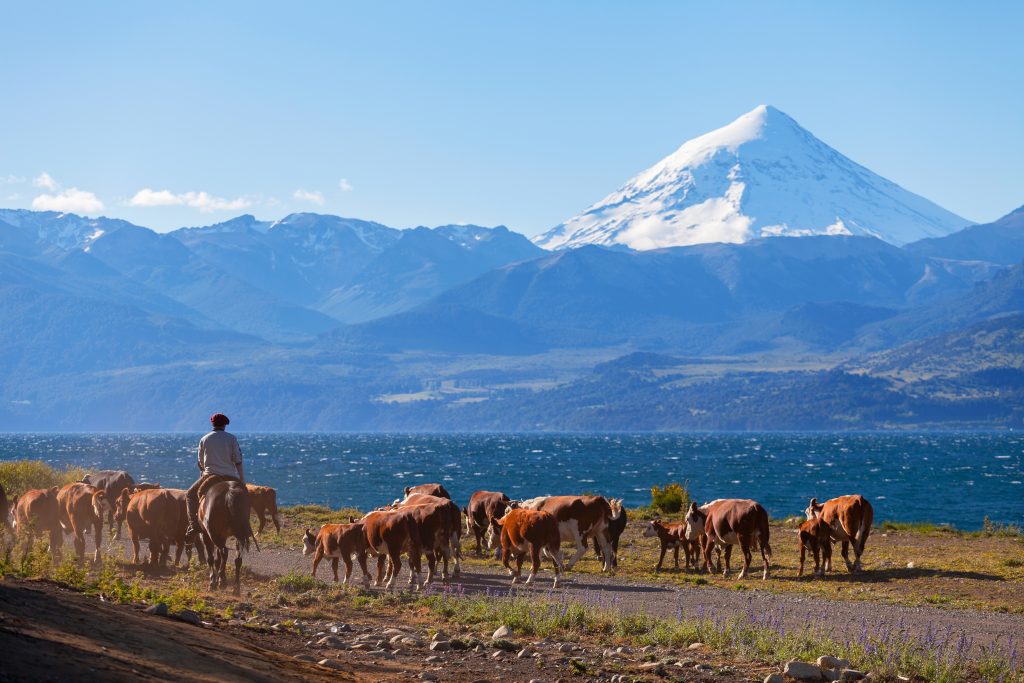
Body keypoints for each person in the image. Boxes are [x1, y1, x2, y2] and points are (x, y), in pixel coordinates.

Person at [185, 413, 245, 540]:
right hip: (230, 476)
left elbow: (200, 463)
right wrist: (242, 480)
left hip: (210, 476)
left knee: (190, 495)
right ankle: (245, 524)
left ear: (212, 424)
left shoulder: (204, 439)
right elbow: (238, 460)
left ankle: (194, 526)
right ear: (225, 425)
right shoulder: (232, 439)